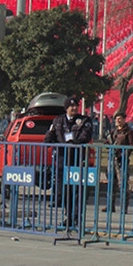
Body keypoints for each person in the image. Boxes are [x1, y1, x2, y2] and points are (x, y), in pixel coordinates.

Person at [44, 96, 93, 227]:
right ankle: (68, 217)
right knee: (64, 191)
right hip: (62, 160)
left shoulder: (84, 121)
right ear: (66, 108)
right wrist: (49, 139)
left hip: (77, 160)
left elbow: (86, 136)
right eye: (71, 106)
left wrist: (74, 143)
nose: (74, 108)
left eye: (76, 106)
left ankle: (76, 218)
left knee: (77, 191)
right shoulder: (58, 120)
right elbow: (50, 134)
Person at [104, 111, 133, 213]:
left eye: (120, 118)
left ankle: (123, 207)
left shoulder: (129, 132)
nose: (118, 120)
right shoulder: (113, 132)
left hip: (122, 160)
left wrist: (123, 153)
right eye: (116, 119)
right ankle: (110, 205)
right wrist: (109, 145)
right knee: (111, 184)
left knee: (123, 185)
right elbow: (106, 143)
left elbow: (132, 145)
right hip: (112, 160)